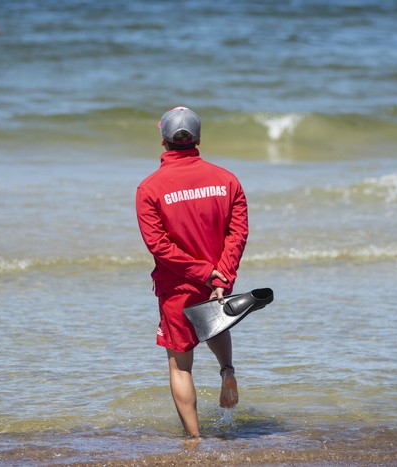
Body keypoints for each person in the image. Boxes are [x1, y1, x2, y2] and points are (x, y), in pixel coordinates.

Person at [135, 106, 249, 438]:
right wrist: (221, 276)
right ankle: (227, 370)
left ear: (163, 140)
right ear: (197, 139)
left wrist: (204, 273)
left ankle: (195, 442)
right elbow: (237, 234)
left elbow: (159, 247)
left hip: (178, 285)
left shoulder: (150, 188)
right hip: (217, 282)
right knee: (214, 324)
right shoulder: (227, 180)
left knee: (180, 367)